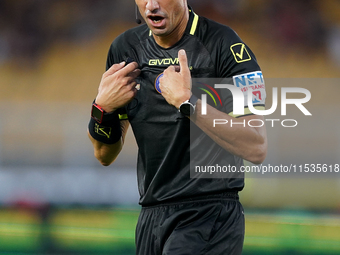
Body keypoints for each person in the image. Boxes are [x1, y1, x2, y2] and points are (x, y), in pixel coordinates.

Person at [88, 0, 267, 254]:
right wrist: (102, 109)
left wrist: (188, 103)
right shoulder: (124, 50)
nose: (151, 5)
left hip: (209, 215)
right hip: (151, 217)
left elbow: (256, 145)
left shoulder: (226, 47)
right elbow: (104, 155)